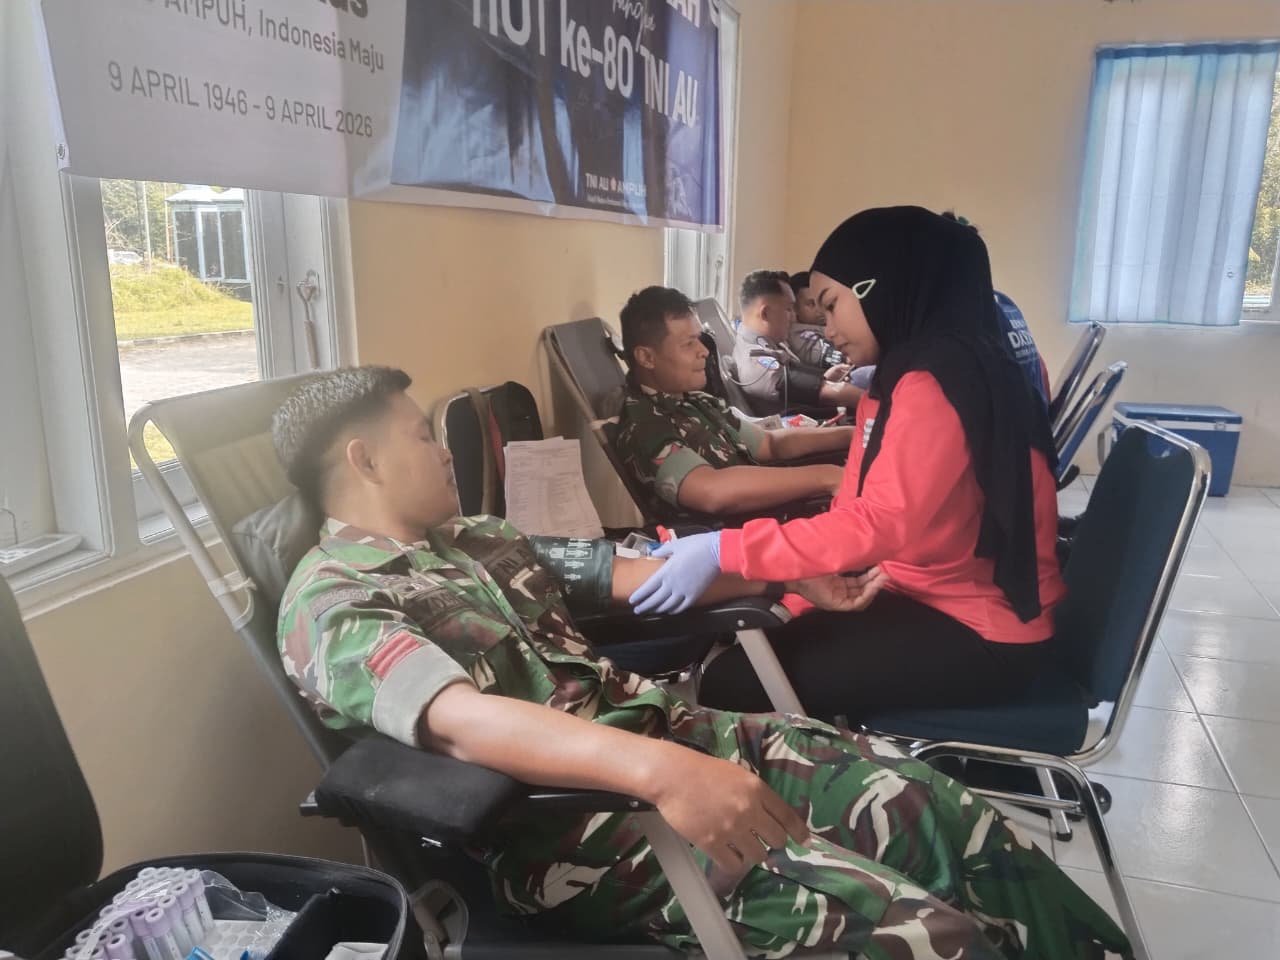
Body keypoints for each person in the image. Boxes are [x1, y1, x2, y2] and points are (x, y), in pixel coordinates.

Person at [273, 365, 1128, 960]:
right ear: (364, 460)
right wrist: (663, 773)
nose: (444, 452)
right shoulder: (336, 602)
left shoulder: (477, 539)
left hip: (681, 741)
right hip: (579, 827)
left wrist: (788, 574)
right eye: (424, 436)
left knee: (935, 810)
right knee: (920, 936)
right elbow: (462, 723)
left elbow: (636, 576)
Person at [630, 207, 1066, 723]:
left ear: (881, 288)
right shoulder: (924, 368)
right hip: (932, 586)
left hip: (980, 626)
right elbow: (862, 502)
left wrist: (727, 549)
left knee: (736, 680)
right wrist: (800, 581)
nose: (826, 327)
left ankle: (825, 770)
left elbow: (878, 522)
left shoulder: (937, 382)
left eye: (832, 305)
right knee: (763, 648)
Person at [613, 286, 851, 521]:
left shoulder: (695, 401)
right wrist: (825, 477)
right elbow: (712, 491)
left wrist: (851, 434)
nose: (704, 351)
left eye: (699, 339)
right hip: (734, 536)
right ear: (647, 357)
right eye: (688, 343)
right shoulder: (645, 425)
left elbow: (770, 444)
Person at [940, 212, 1052, 411]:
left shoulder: (966, 317)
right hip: (1036, 421)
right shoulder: (1004, 302)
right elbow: (1041, 370)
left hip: (1013, 426)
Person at [731, 270, 864, 415]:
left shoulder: (767, 343)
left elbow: (802, 386)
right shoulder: (757, 366)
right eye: (788, 309)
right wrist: (875, 401)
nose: (794, 316)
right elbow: (834, 393)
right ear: (766, 313)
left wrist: (825, 378)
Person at [791, 270, 876, 389]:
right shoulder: (798, 334)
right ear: (794, 308)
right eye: (811, 304)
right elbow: (840, 358)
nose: (819, 311)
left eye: (827, 306)